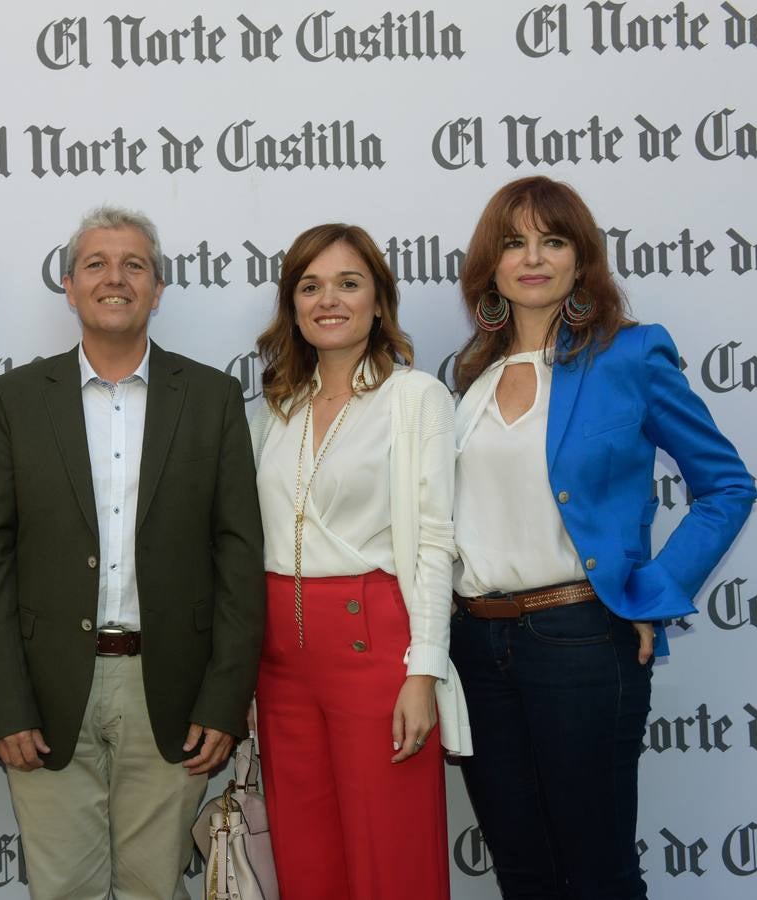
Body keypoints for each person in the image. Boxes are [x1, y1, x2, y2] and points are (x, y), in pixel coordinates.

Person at [449, 175, 755, 900]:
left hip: (582, 637)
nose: (532, 257)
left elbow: (727, 486)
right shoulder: (470, 378)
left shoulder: (631, 356)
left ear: (581, 261)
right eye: (513, 242)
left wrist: (651, 593)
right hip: (477, 649)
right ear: (489, 266)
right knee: (522, 875)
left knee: (598, 877)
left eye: (552, 241)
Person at [0, 206, 264, 900]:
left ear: (158, 290)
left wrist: (225, 702)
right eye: (96, 264)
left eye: (135, 265)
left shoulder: (213, 397)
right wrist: (4, 705)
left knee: (152, 890)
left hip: (172, 689)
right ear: (69, 286)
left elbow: (239, 557)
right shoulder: (15, 399)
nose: (116, 278)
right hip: (44, 693)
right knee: (62, 889)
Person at [250, 223, 467, 900]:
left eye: (349, 283)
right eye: (309, 287)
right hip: (280, 661)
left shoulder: (415, 397)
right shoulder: (275, 408)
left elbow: (435, 539)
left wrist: (423, 670)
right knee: (306, 861)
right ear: (292, 306)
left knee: (389, 859)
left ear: (379, 300)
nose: (328, 300)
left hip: (376, 649)